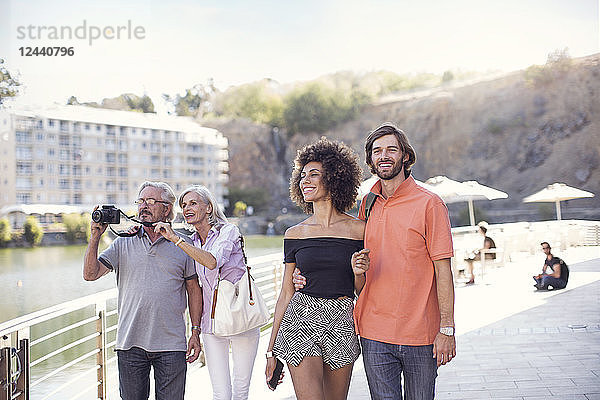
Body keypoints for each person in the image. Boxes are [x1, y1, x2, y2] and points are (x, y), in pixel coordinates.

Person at [295, 123, 456, 400]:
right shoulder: (367, 204)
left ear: (405, 156)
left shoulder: (430, 204)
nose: (384, 156)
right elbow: (356, 271)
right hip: (373, 333)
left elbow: (444, 271)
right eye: (377, 151)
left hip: (420, 334)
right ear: (370, 160)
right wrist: (304, 274)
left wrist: (447, 329)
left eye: (391, 149)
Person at [265, 138, 370, 400]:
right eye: (302, 176)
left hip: (342, 318)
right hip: (301, 318)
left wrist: (359, 274)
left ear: (335, 178)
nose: (305, 181)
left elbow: (366, 290)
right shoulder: (295, 234)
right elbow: (286, 293)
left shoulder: (360, 230)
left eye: (314, 174)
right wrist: (271, 351)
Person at [83, 181, 202, 400]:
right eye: (141, 201)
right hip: (130, 344)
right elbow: (90, 274)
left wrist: (195, 332)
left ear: (166, 209)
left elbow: (194, 291)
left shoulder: (183, 245)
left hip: (171, 345)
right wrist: (95, 237)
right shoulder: (123, 242)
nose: (143, 206)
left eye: (150, 201)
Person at [152, 185, 259, 400]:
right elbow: (162, 238)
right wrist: (135, 230)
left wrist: (176, 239)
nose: (186, 208)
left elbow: (212, 261)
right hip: (211, 323)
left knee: (240, 390)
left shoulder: (229, 231)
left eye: (193, 203)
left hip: (239, 315)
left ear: (209, 207)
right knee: (220, 393)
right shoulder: (191, 240)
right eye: (183, 205)